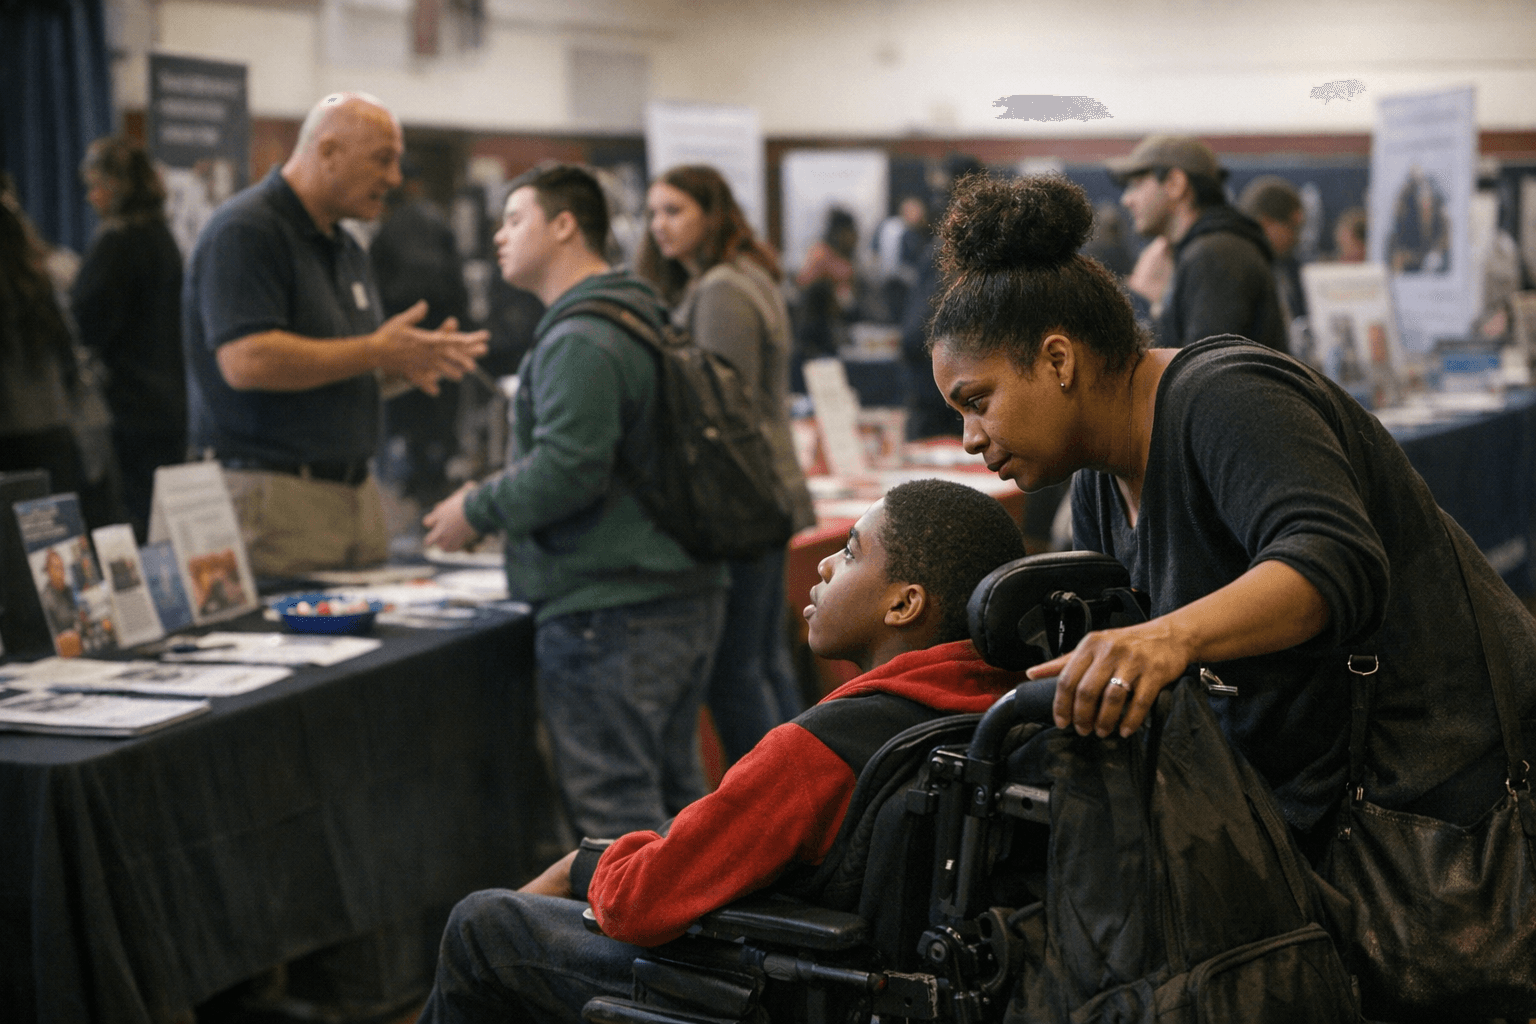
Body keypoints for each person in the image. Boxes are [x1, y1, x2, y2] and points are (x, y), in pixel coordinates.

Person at [926, 172, 1536, 856]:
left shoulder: (1226, 397)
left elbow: (1334, 560)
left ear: (1058, 360)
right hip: (1323, 802)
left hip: (1448, 807)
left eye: (977, 401)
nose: (970, 437)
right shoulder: (1098, 476)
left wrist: (1169, 637)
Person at [416, 478, 1030, 1023]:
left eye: (849, 553)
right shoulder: (1005, 708)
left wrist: (587, 868)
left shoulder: (819, 750)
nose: (823, 566)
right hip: (900, 986)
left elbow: (640, 904)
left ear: (903, 604)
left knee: (482, 925)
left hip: (778, 991)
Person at [421, 164, 728, 841]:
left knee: (617, 821)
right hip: (672, 590)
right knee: (677, 812)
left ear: (564, 226)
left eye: (515, 220)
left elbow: (569, 469)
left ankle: (638, 921)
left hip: (611, 610)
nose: (499, 237)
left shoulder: (581, 336)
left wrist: (475, 507)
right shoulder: (635, 312)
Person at [183, 92, 487, 578]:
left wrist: (403, 364)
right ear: (327, 152)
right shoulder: (246, 230)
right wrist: (375, 350)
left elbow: (340, 365)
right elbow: (246, 360)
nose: (394, 178)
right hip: (273, 498)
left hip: (355, 497)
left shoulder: (347, 247)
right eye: (382, 160)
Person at [636, 164, 817, 761]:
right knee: (760, 660)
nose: (659, 225)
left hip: (743, 497)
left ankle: (771, 799)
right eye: (653, 212)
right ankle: (798, 790)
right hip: (762, 490)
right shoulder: (741, 276)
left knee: (738, 669)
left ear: (712, 215)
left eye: (674, 211)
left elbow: (718, 417)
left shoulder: (721, 289)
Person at [71, 137, 186, 541]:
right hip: (170, 404)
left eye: (95, 185)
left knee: (130, 526)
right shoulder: (164, 238)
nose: (90, 197)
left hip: (128, 408)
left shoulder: (116, 242)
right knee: (159, 525)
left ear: (116, 185)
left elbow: (87, 324)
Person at [1109, 134, 1288, 352]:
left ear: (1175, 184)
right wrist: (1159, 301)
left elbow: (1205, 368)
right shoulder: (1212, 249)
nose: (1126, 200)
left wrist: (1153, 304)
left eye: (1137, 184)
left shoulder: (1215, 255)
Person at [371, 160, 471, 508]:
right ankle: (435, 477)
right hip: (441, 332)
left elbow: (375, 286)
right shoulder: (439, 223)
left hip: (400, 334)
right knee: (440, 409)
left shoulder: (387, 228)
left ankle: (413, 479)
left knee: (408, 411)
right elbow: (457, 283)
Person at [0, 186, 93, 512]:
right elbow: (70, 361)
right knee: (57, 535)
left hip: (11, 438)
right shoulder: (40, 287)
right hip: (54, 430)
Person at [792, 206, 859, 376]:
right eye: (851, 232)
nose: (855, 237)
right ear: (841, 232)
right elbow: (804, 285)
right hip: (815, 335)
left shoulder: (835, 255)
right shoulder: (821, 255)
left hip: (833, 330)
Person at [1237, 173, 1308, 320]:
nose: (1296, 238)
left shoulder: (1289, 266)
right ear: (1265, 223)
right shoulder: (1235, 273)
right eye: (1293, 228)